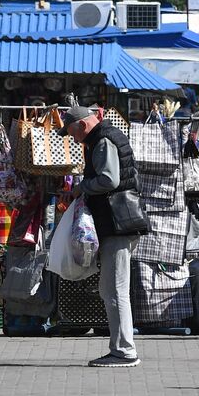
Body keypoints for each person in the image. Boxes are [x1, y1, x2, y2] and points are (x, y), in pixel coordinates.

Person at [70, 104, 150, 368]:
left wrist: (82, 187)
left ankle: (125, 350)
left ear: (83, 125)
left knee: (115, 289)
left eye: (72, 133)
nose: (73, 139)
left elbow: (109, 180)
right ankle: (120, 347)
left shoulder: (103, 140)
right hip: (118, 223)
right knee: (111, 288)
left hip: (118, 223)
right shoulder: (105, 137)